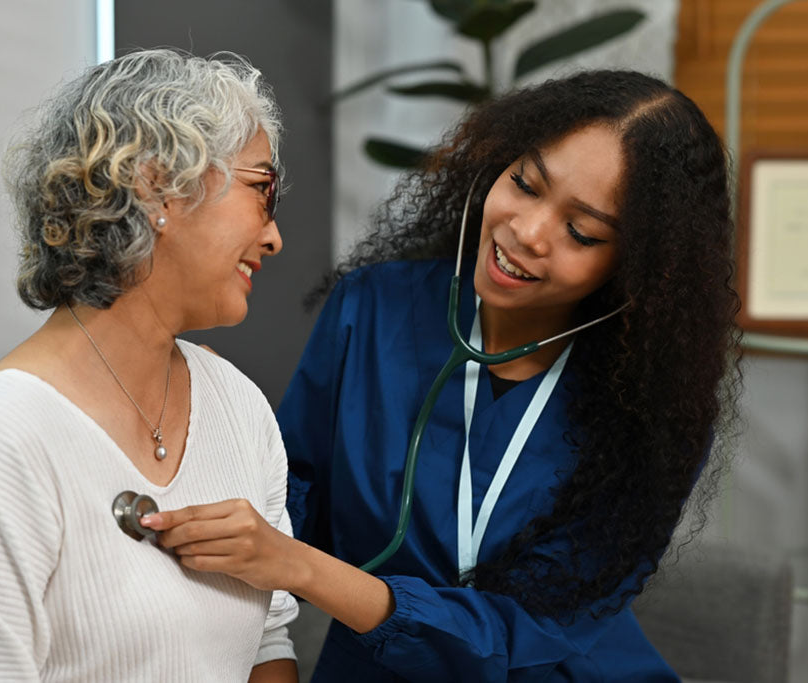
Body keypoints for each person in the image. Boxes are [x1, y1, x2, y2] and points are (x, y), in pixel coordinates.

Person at [142, 70, 739, 681]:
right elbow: (285, 500)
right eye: (525, 184)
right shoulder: (373, 310)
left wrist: (298, 566)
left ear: (635, 268)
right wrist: (216, 416)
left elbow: (527, 630)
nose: (527, 232)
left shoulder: (651, 413)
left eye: (581, 232)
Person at [0, 49, 300, 682]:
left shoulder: (241, 408)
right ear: (154, 184)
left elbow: (268, 644)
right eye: (261, 188)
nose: (274, 236)